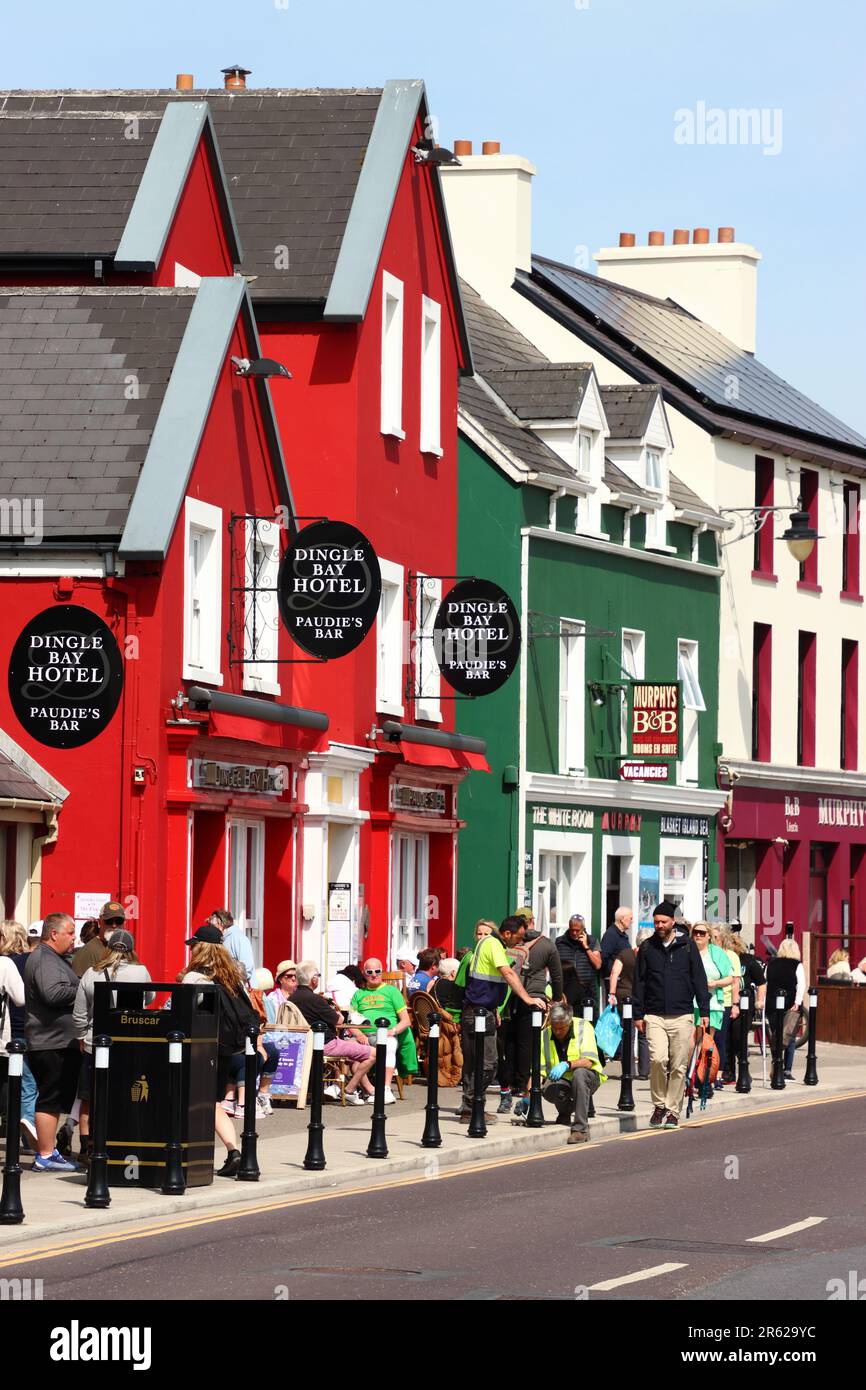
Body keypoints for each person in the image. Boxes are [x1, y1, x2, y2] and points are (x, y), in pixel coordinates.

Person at [180, 932, 261, 1176]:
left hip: (201, 1048)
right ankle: (233, 1150)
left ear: (200, 948)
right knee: (212, 1102)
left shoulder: (194, 977)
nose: (191, 950)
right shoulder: (232, 976)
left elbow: (187, 1013)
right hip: (228, 1047)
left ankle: (184, 1155)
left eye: (193, 946)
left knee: (190, 1099)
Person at [458, 916, 548, 1124]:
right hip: (478, 1013)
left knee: (476, 1063)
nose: (519, 942)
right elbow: (508, 973)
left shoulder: (488, 943)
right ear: (507, 934)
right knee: (488, 1064)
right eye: (518, 937)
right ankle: (472, 1107)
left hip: (481, 1011)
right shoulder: (494, 944)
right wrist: (528, 998)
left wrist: (496, 1008)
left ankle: (470, 1108)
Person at [72, 929, 153, 1154]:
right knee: (122, 1094)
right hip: (128, 1043)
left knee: (89, 1097)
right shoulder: (141, 972)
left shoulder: (91, 973)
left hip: (95, 1042)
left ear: (108, 949)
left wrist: (81, 1036)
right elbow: (150, 998)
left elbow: (79, 1013)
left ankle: (87, 1147)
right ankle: (119, 1140)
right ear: (131, 950)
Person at [633, 902, 710, 1131]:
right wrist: (638, 1014)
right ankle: (659, 1105)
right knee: (658, 1060)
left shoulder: (687, 946)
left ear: (672, 922)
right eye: (656, 921)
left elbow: (699, 979)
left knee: (678, 1065)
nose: (659, 925)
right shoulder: (647, 948)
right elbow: (639, 982)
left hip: (682, 1014)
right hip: (654, 1014)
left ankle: (673, 1111)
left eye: (663, 921)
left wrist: (704, 1011)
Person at [24, 913, 84, 1172]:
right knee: (50, 1097)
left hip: (57, 1041)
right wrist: (83, 989)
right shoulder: (45, 959)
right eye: (70, 932)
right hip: (51, 1042)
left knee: (55, 1097)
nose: (74, 938)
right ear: (53, 934)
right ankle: (45, 1155)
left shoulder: (52, 958)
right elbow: (53, 993)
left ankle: (48, 1151)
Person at [498, 914, 564, 1116]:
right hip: (535, 998)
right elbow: (557, 974)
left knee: (507, 1044)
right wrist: (557, 998)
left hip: (507, 997)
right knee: (528, 1045)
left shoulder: (507, 942)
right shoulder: (547, 945)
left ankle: (506, 1090)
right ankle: (524, 1089)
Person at [292, 960, 374, 1104]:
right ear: (313, 979)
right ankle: (349, 1089)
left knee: (353, 1051)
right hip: (325, 1045)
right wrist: (337, 1012)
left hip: (299, 1045)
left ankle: (348, 1087)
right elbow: (339, 1021)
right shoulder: (315, 1000)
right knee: (374, 1053)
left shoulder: (291, 999)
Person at [348, 958, 417, 1101]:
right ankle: (370, 1091)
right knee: (352, 1053)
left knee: (389, 1045)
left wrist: (393, 1031)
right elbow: (351, 1021)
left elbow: (406, 1021)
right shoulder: (358, 994)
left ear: (382, 972)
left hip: (386, 1034)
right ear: (364, 974)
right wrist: (359, 1035)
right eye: (369, 972)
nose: (374, 975)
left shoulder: (392, 991)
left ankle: (385, 1089)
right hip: (363, 1035)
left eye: (377, 971)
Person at [540, 1002, 607, 1143]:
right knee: (548, 1088)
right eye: (554, 1027)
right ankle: (565, 1112)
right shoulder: (545, 1035)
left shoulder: (583, 1027)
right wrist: (528, 1098)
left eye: (561, 1028)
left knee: (579, 1074)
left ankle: (580, 1129)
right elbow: (538, 1071)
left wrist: (567, 1064)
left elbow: (589, 1062)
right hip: (563, 1081)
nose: (557, 1032)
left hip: (588, 1077)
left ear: (569, 1023)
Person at [0, 921, 36, 1148]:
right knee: (24, 1086)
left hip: (13, 1033)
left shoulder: (7, 962)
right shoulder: (16, 963)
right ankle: (23, 1131)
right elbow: (22, 998)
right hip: (21, 1032)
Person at [608, 929, 651, 1079]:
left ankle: (629, 1071)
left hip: (624, 996)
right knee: (643, 1034)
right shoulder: (651, 956)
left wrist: (611, 993)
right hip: (645, 998)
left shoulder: (625, 954)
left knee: (628, 1034)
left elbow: (614, 973)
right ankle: (644, 1071)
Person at [724, 931, 766, 1084]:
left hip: (745, 1005)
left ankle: (744, 1071)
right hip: (728, 1002)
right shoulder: (724, 959)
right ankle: (729, 1073)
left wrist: (760, 1001)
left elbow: (761, 982)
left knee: (738, 1037)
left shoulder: (748, 961)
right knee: (727, 1038)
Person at [766, 938, 806, 1080]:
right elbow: (801, 985)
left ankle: (776, 1063)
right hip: (790, 1004)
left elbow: (766, 981)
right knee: (789, 1037)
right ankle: (787, 1070)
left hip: (772, 1004)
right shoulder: (797, 965)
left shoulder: (771, 964)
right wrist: (798, 1001)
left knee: (775, 1035)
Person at [709, 923, 741, 1087]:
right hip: (707, 1001)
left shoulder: (731, 956)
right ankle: (705, 1073)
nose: (712, 939)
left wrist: (735, 1004)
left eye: (715, 936)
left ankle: (717, 1076)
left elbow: (735, 982)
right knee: (707, 1040)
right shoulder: (706, 954)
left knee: (720, 1041)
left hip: (725, 1002)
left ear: (722, 938)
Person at [556, 913, 602, 1013]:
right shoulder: (560, 942)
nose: (574, 933)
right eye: (572, 929)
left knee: (588, 1023)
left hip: (587, 991)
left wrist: (586, 947)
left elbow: (598, 964)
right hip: (566, 990)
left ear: (583, 929)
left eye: (577, 930)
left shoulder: (592, 941)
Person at [72, 900, 127, 978]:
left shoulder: (126, 950)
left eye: (119, 921)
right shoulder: (88, 952)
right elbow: (78, 985)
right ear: (99, 922)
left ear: (124, 924)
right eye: (109, 921)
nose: (114, 925)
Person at [208, 908, 255, 983]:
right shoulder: (224, 938)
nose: (210, 929)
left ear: (220, 923)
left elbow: (246, 969)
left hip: (239, 990)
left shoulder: (238, 938)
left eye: (212, 926)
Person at [600, 907, 633, 992]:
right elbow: (603, 957)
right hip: (614, 981)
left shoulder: (623, 935)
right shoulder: (610, 935)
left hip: (623, 980)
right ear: (622, 919)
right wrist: (612, 972)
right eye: (630, 918)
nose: (632, 921)